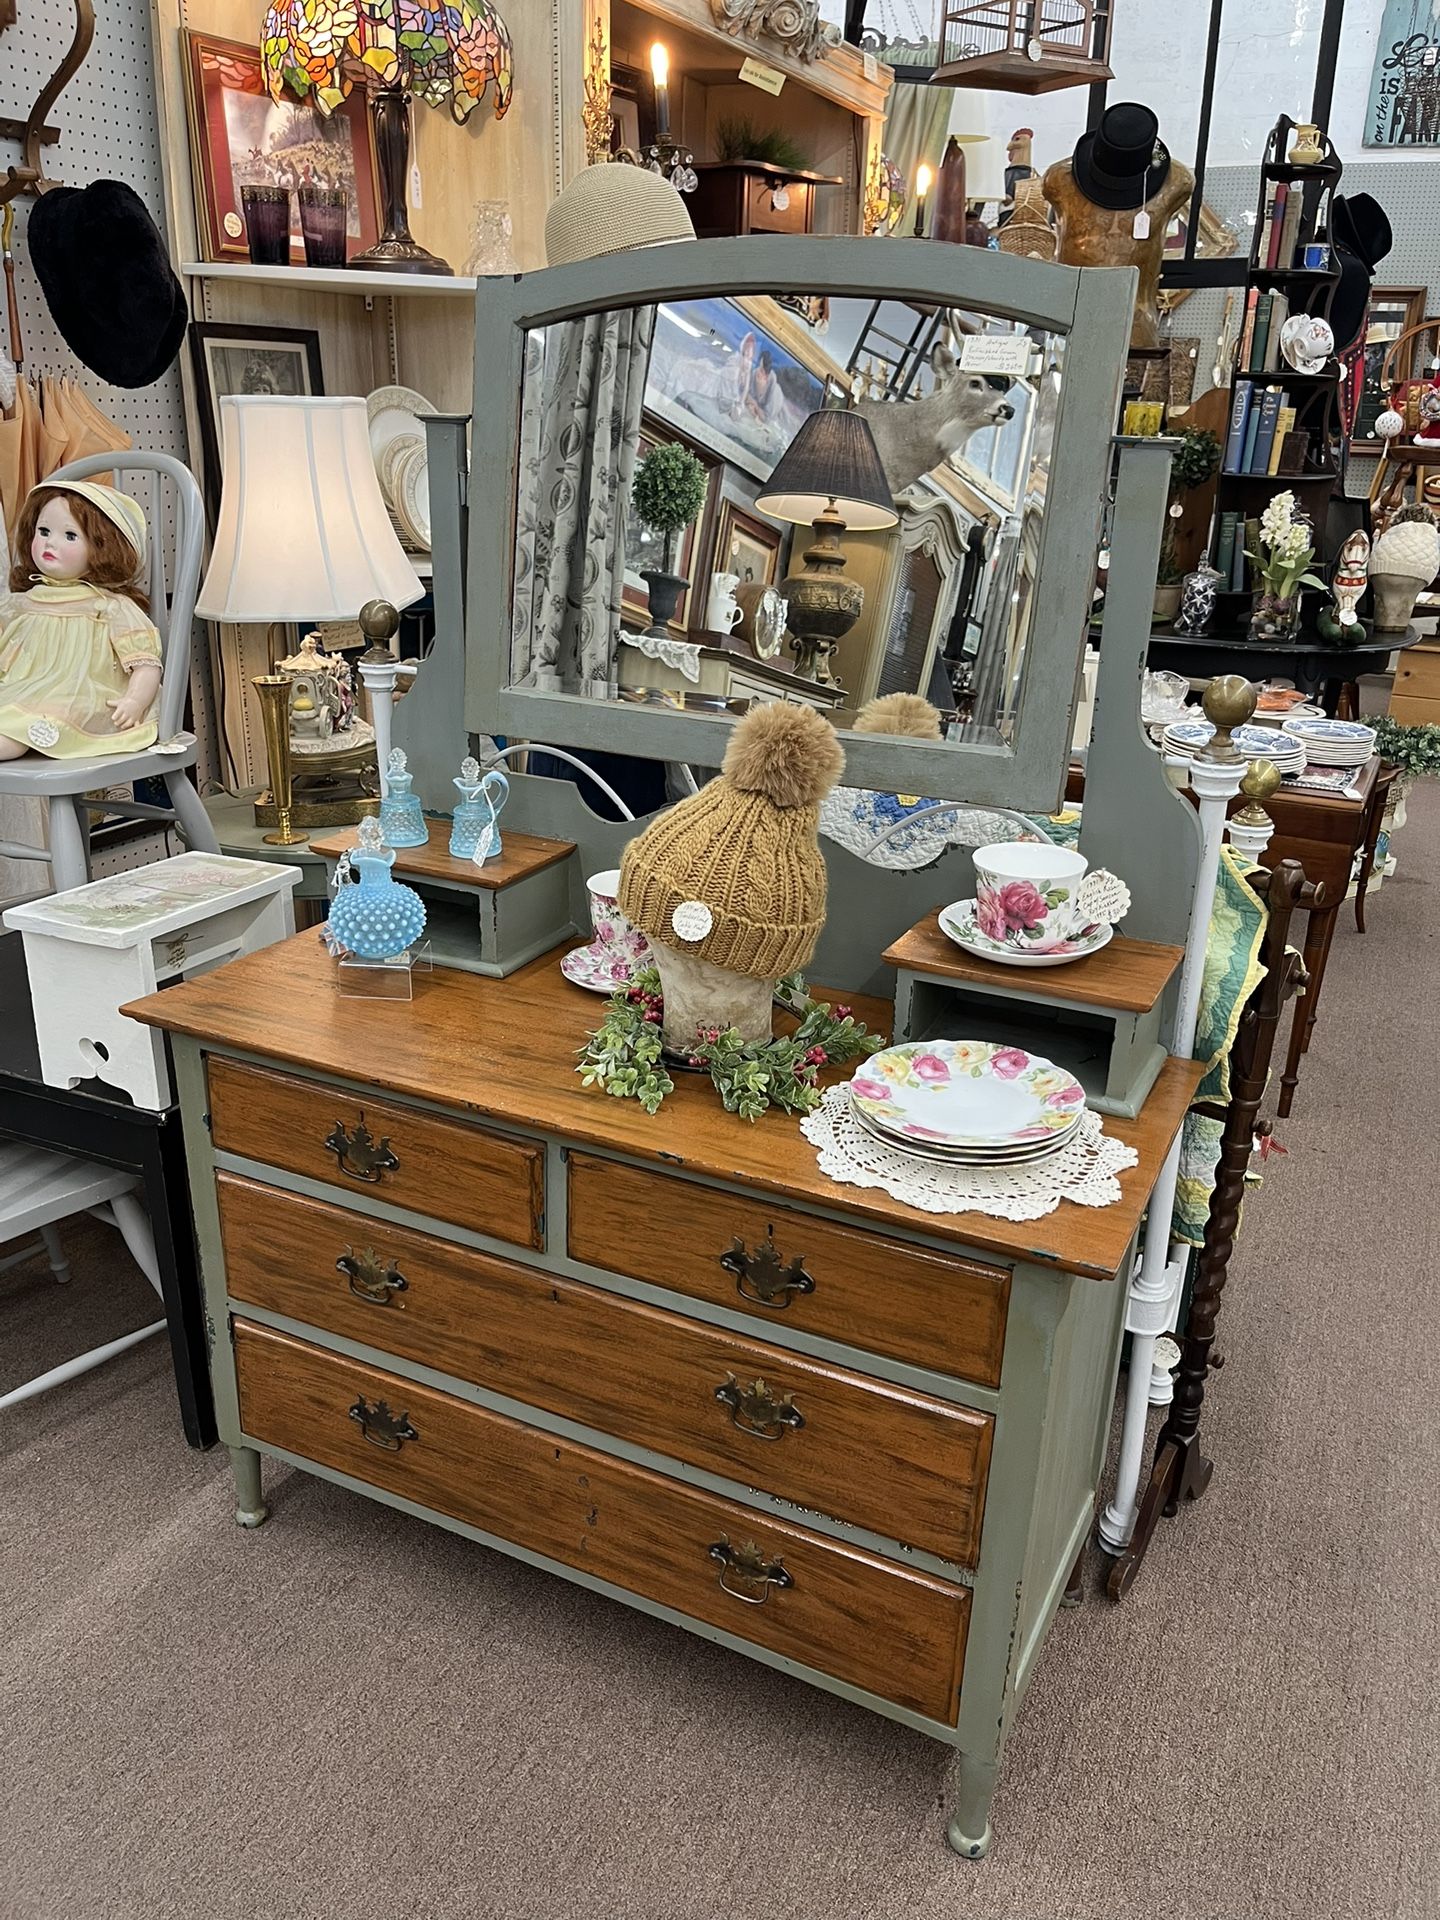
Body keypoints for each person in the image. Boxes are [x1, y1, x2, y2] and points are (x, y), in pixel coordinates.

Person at [0, 481, 162, 759]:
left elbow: (146, 664)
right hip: (25, 689)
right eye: (44, 531)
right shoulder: (25, 602)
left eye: (70, 536)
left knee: (35, 719)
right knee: (17, 709)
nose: (51, 542)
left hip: (83, 696)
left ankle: (8, 742)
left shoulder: (109, 607)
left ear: (102, 548)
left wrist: (135, 700)